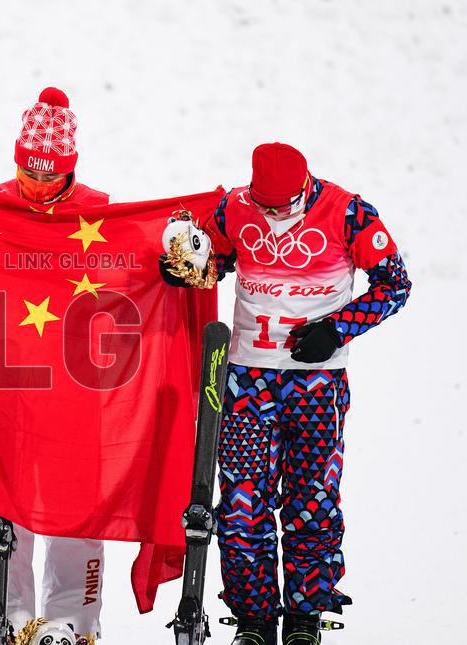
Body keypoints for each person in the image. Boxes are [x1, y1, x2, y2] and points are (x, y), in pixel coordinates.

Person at [161, 142, 411, 644]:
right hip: (249, 379)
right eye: (264, 204)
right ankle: (253, 618)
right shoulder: (235, 208)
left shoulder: (348, 213)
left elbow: (395, 284)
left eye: (282, 205)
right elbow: (211, 263)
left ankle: (305, 616)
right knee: (242, 501)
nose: (272, 214)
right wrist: (185, 270)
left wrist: (338, 329)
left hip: (316, 384)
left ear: (304, 187)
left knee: (312, 501)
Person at [0, 87, 107, 642]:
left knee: (77, 510)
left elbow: (133, 275)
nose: (36, 186)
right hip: (3, 379)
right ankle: (1, 611)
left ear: (70, 171)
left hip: (78, 387)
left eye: (49, 178)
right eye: (28, 173)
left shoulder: (101, 212)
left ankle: (74, 621)